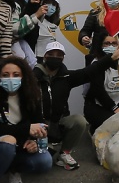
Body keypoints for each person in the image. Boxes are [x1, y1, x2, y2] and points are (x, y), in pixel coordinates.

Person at [33, 40, 93, 170]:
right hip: (37, 125)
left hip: (57, 123)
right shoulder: (32, 78)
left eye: (59, 55)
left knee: (79, 121)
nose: (55, 57)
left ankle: (64, 153)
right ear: (45, 56)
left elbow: (89, 72)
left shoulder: (67, 77)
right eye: (51, 54)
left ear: (63, 58)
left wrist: (111, 58)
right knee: (41, 164)